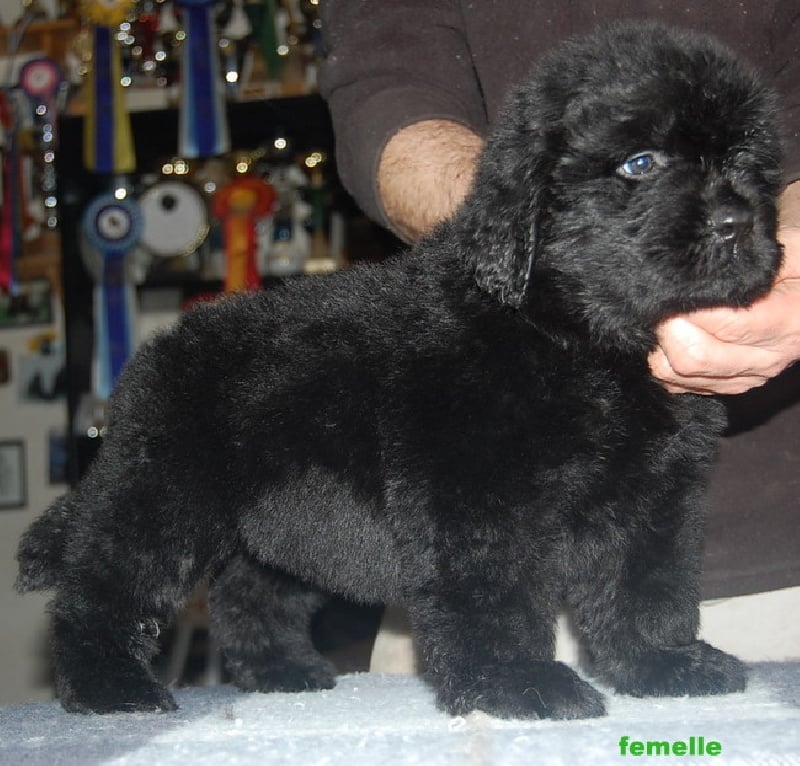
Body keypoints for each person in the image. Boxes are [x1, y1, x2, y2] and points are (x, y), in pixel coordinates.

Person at [319, 1, 800, 668]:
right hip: (481, 541)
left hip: (775, 547)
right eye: (644, 165)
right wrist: (537, 230)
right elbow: (387, 87)